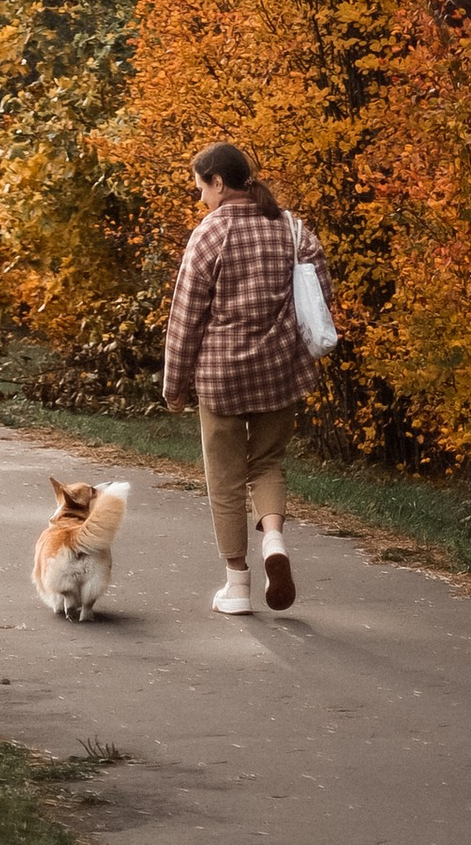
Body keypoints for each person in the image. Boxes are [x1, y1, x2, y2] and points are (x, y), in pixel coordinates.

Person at [160, 138, 334, 615]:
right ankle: (273, 540)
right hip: (279, 372)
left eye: (201, 188)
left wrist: (175, 385)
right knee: (268, 464)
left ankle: (237, 586)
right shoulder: (292, 228)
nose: (201, 198)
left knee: (225, 480)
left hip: (222, 377)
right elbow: (319, 297)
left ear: (219, 182)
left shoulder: (210, 234)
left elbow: (186, 317)